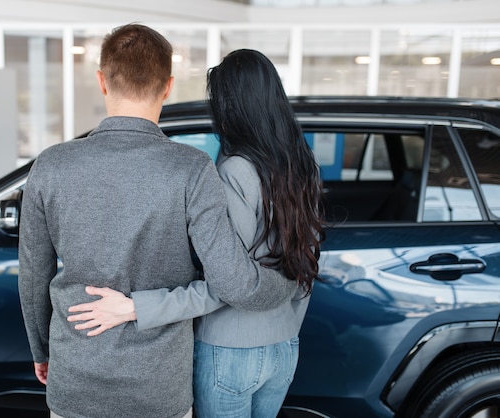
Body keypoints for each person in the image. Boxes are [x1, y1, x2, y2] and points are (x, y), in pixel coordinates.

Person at [18, 26, 298, 418]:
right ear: (168, 87)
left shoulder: (50, 164)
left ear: (102, 81)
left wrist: (41, 351)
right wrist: (289, 280)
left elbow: (33, 275)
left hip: (77, 376)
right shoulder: (192, 168)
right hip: (160, 389)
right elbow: (232, 280)